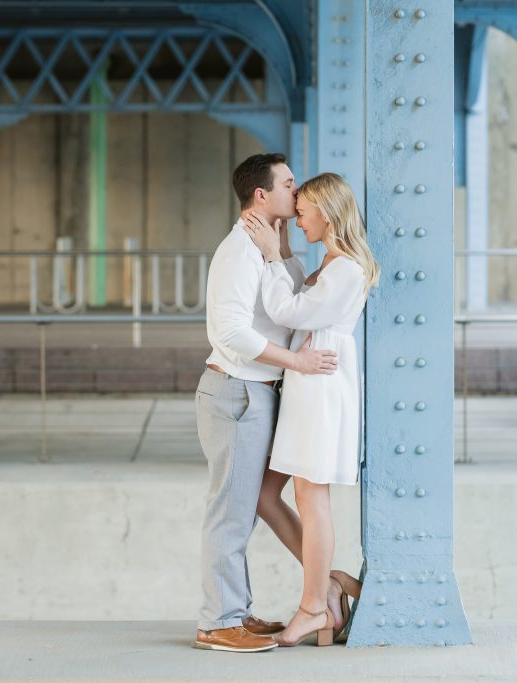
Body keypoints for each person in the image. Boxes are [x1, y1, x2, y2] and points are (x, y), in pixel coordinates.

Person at [193, 154, 340, 653]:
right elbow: (230, 333)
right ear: (262, 195)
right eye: (290, 185)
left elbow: (291, 306)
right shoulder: (239, 251)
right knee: (230, 513)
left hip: (260, 392)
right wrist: (296, 364)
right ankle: (219, 621)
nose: (298, 195)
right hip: (236, 392)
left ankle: (260, 605)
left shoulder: (272, 249)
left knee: (250, 506)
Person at [242, 172, 379, 647]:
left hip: (321, 389)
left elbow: (289, 312)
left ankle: (314, 608)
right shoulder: (332, 263)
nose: (297, 221)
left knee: (311, 499)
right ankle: (330, 583)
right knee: (264, 494)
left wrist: (271, 256)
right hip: (307, 383)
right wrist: (279, 250)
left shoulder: (347, 270)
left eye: (302, 214)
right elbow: (298, 301)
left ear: (326, 211)